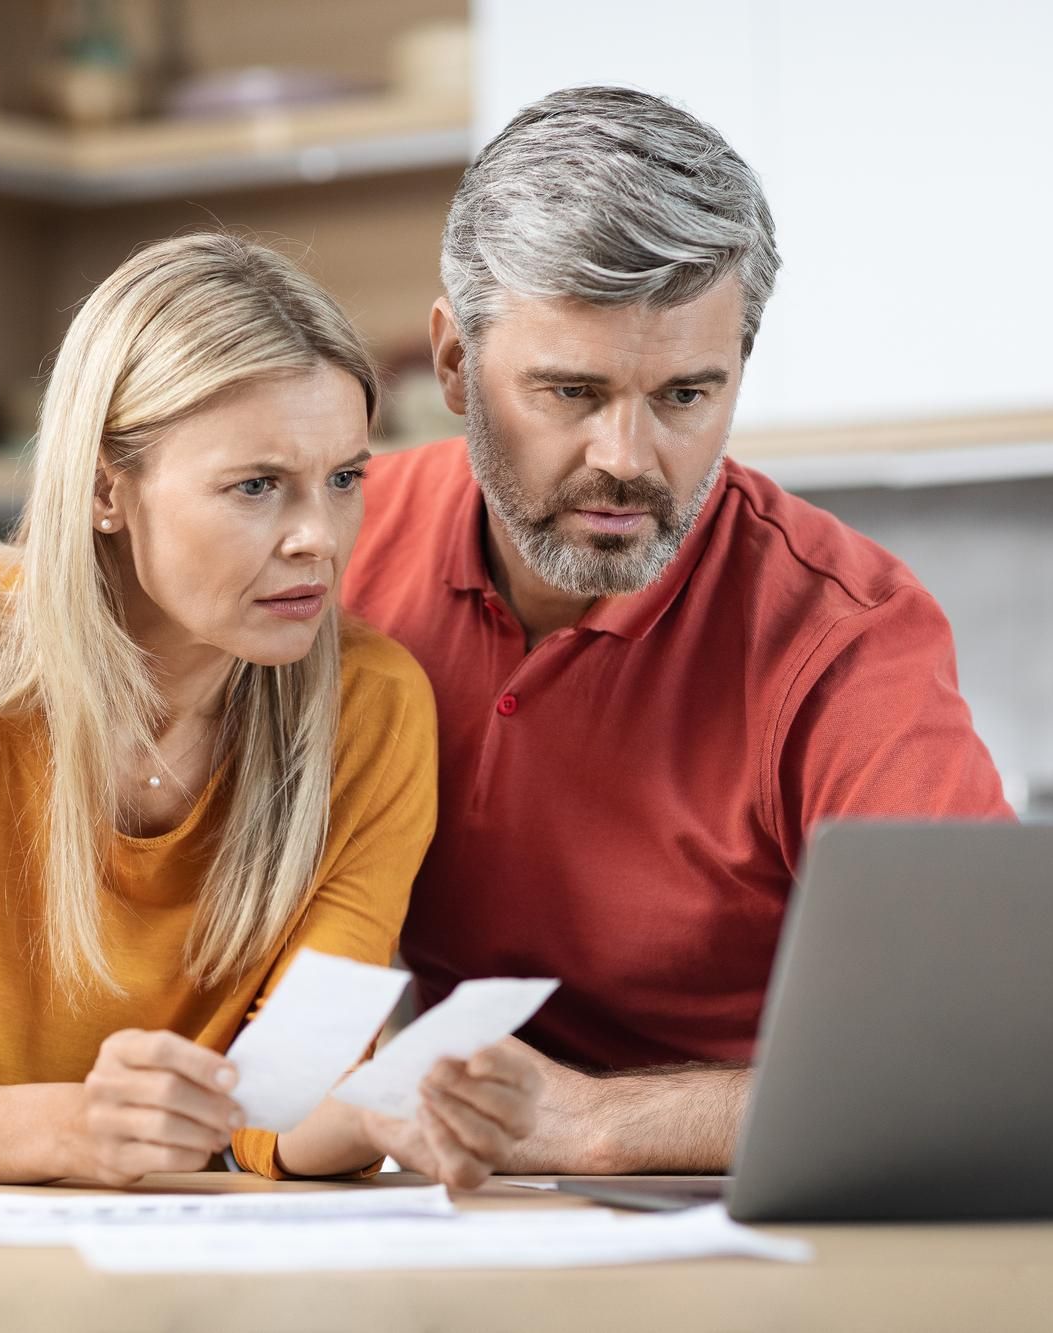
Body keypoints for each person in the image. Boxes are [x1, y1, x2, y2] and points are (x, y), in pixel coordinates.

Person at [0, 234, 540, 1189]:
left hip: (130, 1219)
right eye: (257, 486)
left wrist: (377, 1112)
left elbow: (282, 1101)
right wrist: (73, 1128)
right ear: (105, 487)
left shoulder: (372, 708)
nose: (320, 539)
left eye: (344, 479)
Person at [342, 86, 1013, 1175]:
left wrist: (605, 1125)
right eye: (568, 391)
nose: (628, 459)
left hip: (761, 1192)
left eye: (685, 395)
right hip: (462, 1199)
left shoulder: (840, 635)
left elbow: (987, 1037)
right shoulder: (335, 550)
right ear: (455, 366)